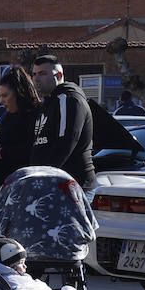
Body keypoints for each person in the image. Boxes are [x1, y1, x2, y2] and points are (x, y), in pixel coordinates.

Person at [31, 55, 95, 190]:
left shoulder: (68, 99)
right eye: (34, 74)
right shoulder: (48, 102)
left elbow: (66, 141)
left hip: (71, 185)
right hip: (51, 182)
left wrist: (42, 177)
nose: (36, 79)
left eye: (42, 74)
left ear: (59, 75)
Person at [0, 67, 41, 198]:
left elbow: (34, 150)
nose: (1, 101)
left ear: (19, 93)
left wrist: (2, 153)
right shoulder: (8, 115)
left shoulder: (35, 115)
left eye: (5, 95)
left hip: (22, 190)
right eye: (0, 96)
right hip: (1, 189)